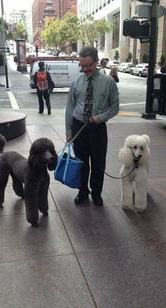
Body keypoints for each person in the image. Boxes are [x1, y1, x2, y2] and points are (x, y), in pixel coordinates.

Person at [65, 46, 119, 206]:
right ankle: (82, 191)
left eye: (88, 65)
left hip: (97, 129)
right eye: (82, 65)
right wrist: (69, 131)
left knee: (98, 163)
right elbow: (70, 108)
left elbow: (114, 107)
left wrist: (100, 117)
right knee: (81, 162)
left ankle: (96, 193)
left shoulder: (108, 82)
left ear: (97, 62)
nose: (85, 69)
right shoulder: (76, 82)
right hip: (78, 127)